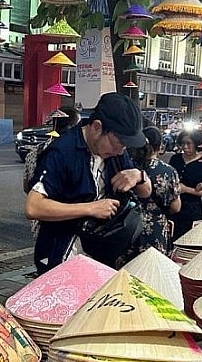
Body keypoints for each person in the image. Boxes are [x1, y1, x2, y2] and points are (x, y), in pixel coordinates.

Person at [25, 92, 152, 274]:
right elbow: (33, 207)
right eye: (119, 142)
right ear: (97, 127)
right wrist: (91, 208)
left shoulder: (118, 153)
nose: (120, 150)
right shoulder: (61, 152)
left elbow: (146, 192)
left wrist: (139, 175)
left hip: (103, 255)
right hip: (62, 257)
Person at [122, 126, 181, 262]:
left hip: (127, 228)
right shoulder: (167, 171)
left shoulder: (127, 166)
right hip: (155, 229)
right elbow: (176, 207)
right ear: (160, 146)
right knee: (154, 273)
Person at [168, 129, 202, 240]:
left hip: (192, 209)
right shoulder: (175, 159)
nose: (185, 147)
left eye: (189, 143)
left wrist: (187, 189)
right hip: (173, 206)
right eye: (183, 143)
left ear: (196, 144)